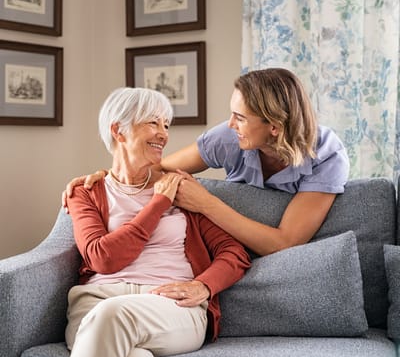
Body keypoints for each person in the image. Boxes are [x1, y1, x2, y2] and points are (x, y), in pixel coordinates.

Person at [63, 68, 349, 257]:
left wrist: (205, 203)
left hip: (278, 259)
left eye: (240, 117)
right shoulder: (228, 137)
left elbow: (285, 243)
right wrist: (107, 176)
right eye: (231, 113)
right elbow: (156, 170)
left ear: (274, 126)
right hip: (227, 250)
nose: (230, 123)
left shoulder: (326, 155)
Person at [64, 87, 251, 357]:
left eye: (166, 125)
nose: (163, 134)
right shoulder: (87, 191)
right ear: (118, 130)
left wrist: (203, 285)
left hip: (170, 305)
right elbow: (102, 258)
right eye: (153, 122)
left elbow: (234, 253)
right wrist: (158, 204)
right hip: (97, 301)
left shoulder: (182, 188)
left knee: (113, 315)